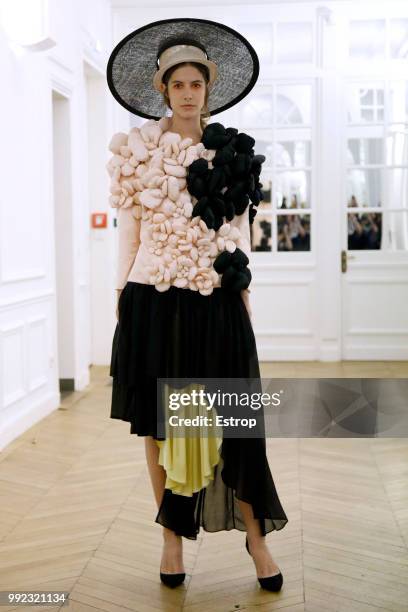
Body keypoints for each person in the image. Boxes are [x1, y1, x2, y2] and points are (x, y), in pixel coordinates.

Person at [106, 18, 288, 592]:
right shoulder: (137, 154)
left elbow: (238, 237)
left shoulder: (234, 154)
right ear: (163, 89)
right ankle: (171, 540)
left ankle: (257, 541)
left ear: (209, 88)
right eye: (177, 84)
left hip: (216, 303)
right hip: (152, 301)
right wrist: (120, 303)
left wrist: (246, 301)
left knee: (235, 421)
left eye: (196, 83)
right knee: (160, 427)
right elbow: (128, 235)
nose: (187, 92)